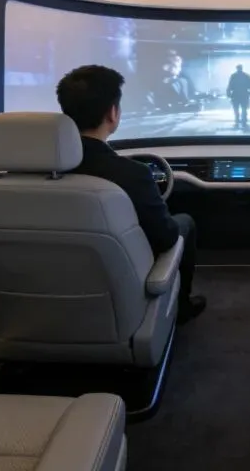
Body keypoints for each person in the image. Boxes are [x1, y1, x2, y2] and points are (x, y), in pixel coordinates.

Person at [57, 64, 206, 323]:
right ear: (113, 113)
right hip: (119, 299)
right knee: (184, 223)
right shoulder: (132, 174)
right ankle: (181, 306)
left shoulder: (19, 178)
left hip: (44, 289)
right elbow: (165, 237)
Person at [226, 63, 250, 128]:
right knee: (244, 109)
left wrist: (228, 93)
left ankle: (237, 120)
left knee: (236, 109)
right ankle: (243, 121)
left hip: (236, 94)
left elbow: (230, 85)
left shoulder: (233, 76)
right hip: (244, 94)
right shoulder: (246, 76)